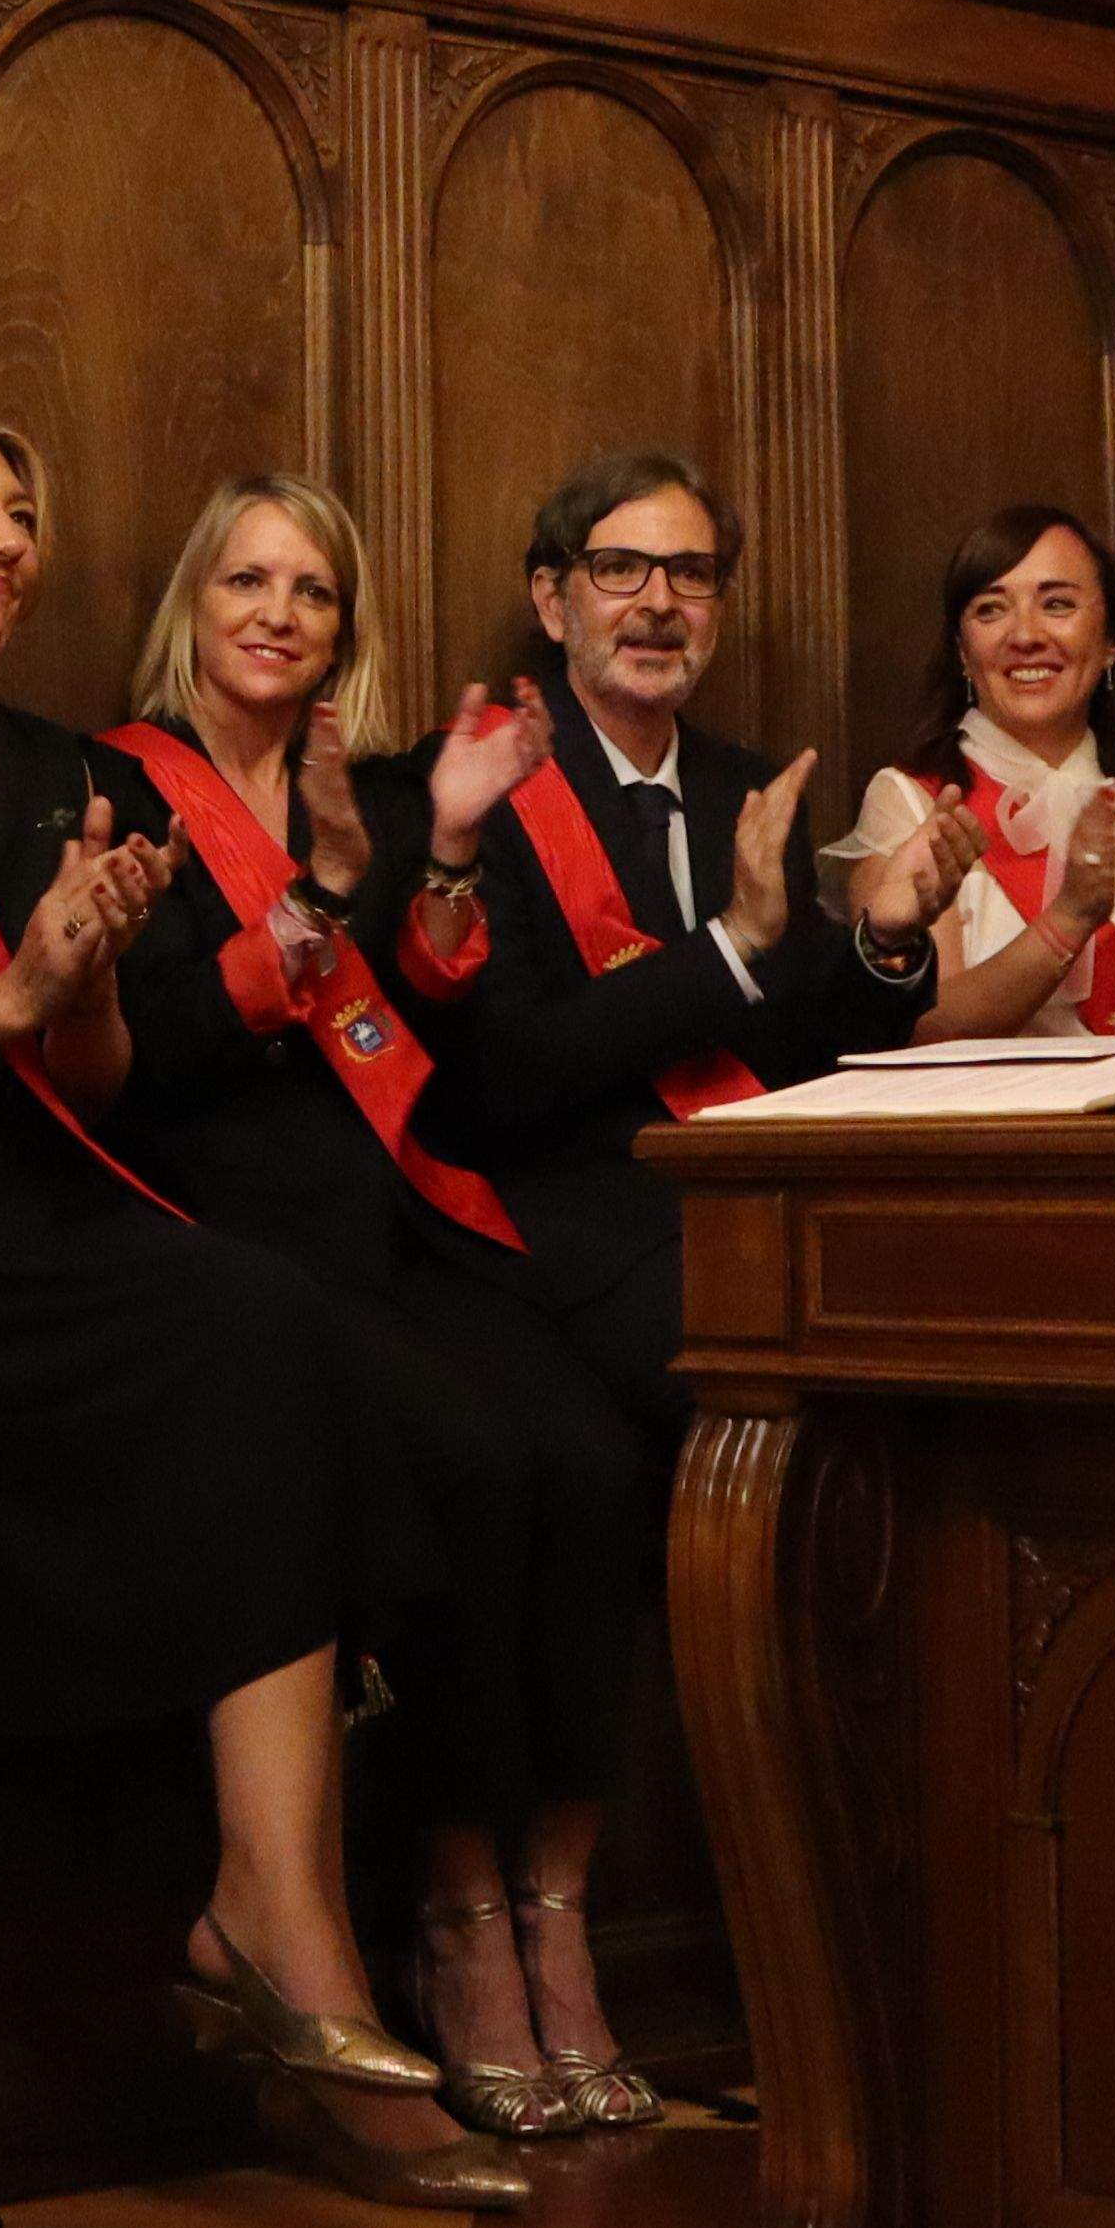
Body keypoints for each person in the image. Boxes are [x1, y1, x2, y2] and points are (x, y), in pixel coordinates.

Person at [0, 399, 520, 2216]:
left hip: (26, 1201)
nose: (7, 535)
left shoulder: (41, 760)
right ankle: (287, 1948)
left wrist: (70, 976)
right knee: (245, 1335)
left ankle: (279, 1921)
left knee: (266, 1324)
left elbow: (83, 1082)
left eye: (21, 505)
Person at [385, 448, 952, 2113]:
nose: (660, 602)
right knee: (614, 1449)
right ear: (552, 597)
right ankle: (510, 1920)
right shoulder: (470, 781)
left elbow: (780, 1045)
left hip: (714, 1223)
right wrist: (731, 948)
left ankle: (636, 1920)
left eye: (692, 573)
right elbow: (494, 1084)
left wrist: (887, 939)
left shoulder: (738, 787)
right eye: (623, 569)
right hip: (529, 1234)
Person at [98, 473, 659, 2142]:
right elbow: (145, 1061)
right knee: (479, 1470)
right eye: (248, 579)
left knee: (595, 1455)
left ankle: (557, 1903)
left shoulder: (392, 787)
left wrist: (457, 845)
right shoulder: (120, 790)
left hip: (403, 1222)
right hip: (238, 1248)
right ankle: (460, 1911)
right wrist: (320, 901)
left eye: (315, 592)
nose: (279, 612)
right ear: (192, 602)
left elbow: (435, 1019)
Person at [830, 505, 1115, 1042]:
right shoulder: (916, 800)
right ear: (964, 654)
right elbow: (919, 1027)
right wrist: (1067, 921)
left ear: (1110, 643)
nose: (1025, 634)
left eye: (1057, 604)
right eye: (991, 610)